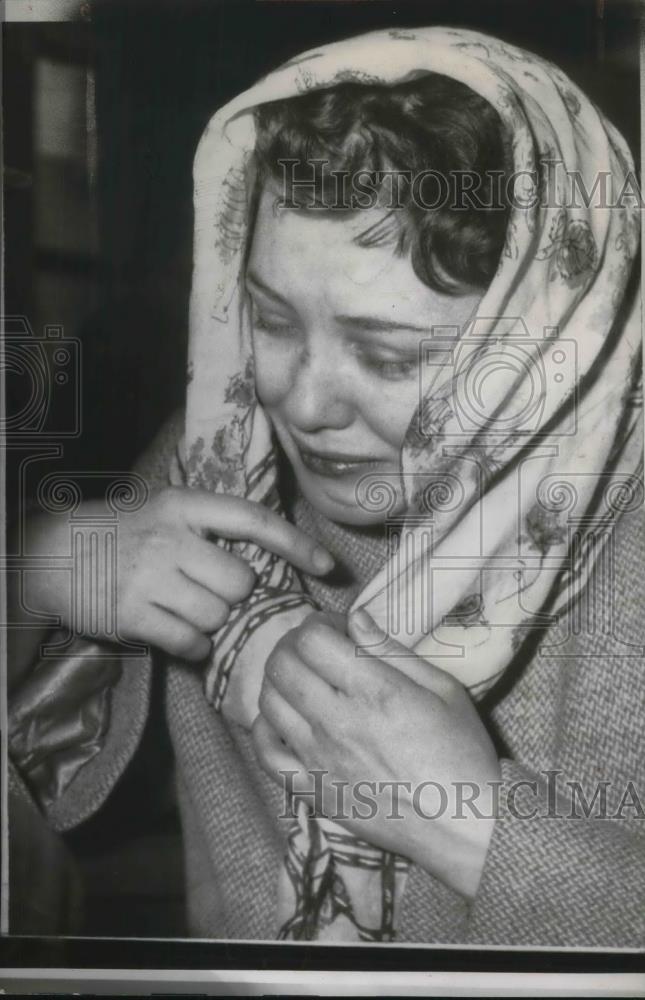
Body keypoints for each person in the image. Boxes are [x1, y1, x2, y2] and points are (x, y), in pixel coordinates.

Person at [8, 26, 645, 945]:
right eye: (268, 318)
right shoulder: (220, 462)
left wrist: (469, 821)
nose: (301, 402)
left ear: (550, 338)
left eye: (386, 354)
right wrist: (33, 569)